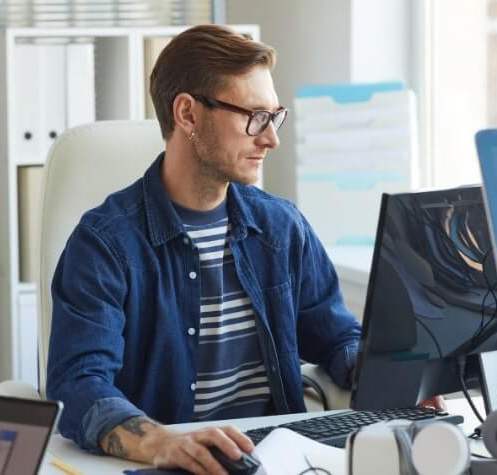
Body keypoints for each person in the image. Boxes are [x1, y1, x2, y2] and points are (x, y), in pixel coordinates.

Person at [46, 24, 439, 475]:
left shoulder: (281, 227)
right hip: (170, 464)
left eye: (275, 117)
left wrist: (400, 377)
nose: (270, 138)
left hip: (280, 460)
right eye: (255, 117)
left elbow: (335, 338)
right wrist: (163, 443)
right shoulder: (106, 245)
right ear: (188, 115)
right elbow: (78, 385)